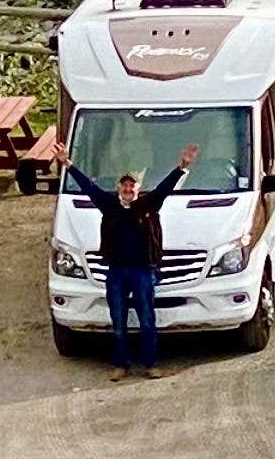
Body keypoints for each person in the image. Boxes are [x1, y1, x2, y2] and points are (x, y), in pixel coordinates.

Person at [65, 142, 198, 378]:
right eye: (124, 185)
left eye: (132, 185)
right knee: (118, 320)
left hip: (142, 271)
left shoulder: (148, 204)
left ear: (138, 188)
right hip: (116, 271)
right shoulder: (108, 206)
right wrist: (68, 164)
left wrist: (183, 166)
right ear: (118, 188)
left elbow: (165, 188)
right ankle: (120, 364)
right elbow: (89, 187)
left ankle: (151, 363)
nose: (128, 188)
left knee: (147, 319)